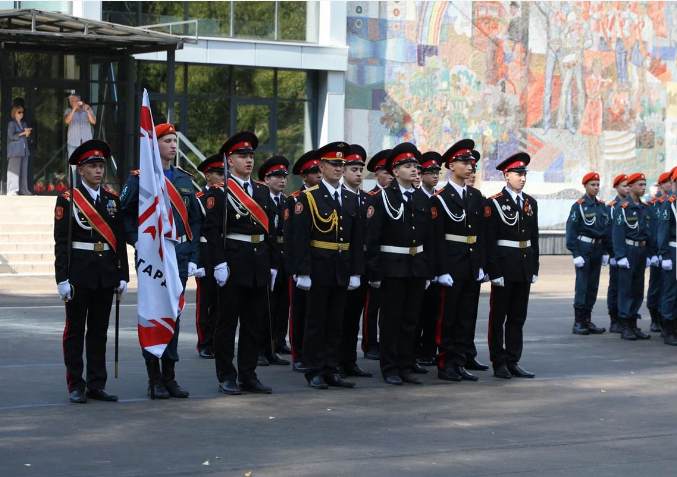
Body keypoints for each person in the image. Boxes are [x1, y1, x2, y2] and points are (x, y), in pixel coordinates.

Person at [120, 123, 199, 399]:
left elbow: (194, 222)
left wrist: (193, 257)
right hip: (152, 259)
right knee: (154, 314)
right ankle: (153, 378)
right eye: (167, 140)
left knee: (174, 317)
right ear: (155, 145)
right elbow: (125, 214)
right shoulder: (141, 178)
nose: (174, 145)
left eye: (175, 140)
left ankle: (170, 376)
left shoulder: (185, 179)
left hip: (178, 259)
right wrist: (137, 240)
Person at [53, 139, 128, 403]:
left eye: (101, 166)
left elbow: (118, 239)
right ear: (81, 169)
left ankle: (97, 383)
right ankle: (76, 383)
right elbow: (61, 243)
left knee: (99, 331)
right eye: (93, 166)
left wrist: (123, 275)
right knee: (75, 330)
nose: (98, 171)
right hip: (78, 274)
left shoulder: (112, 200)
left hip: (106, 273)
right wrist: (61, 278)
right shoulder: (68, 200)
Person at [202, 131, 277, 395]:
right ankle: (226, 375)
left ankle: (248, 374)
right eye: (242, 156)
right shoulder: (220, 192)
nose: (248, 160)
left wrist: (273, 264)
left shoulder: (261, 191)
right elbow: (211, 231)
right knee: (226, 323)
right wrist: (218, 263)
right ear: (229, 160)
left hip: (258, 261)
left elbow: (269, 231)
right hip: (233, 262)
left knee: (253, 323)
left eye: (250, 156)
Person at [293, 142, 364, 389]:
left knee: (337, 322)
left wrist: (356, 271)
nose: (338, 168)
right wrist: (302, 271)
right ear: (321, 167)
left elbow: (356, 238)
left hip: (342, 267)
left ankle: (331, 369)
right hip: (319, 267)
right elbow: (300, 238)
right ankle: (314, 370)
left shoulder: (349, 197)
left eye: (341, 164)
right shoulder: (308, 197)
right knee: (316, 322)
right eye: (334, 164)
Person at [365, 143, 434, 385]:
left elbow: (428, 238)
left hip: (415, 266)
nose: (414, 169)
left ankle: (405, 365)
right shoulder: (382, 197)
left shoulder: (421, 199)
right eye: (407, 166)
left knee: (410, 321)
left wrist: (427, 271)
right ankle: (390, 367)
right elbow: (372, 239)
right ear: (395, 171)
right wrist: (374, 272)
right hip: (391, 267)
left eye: (415, 165)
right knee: (391, 320)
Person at [432, 140, 487, 382]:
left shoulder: (475, 196)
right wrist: (441, 269)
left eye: (472, 163)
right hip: (452, 265)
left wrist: (482, 265)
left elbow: (481, 235)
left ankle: (461, 361)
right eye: (465, 163)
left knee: (467, 316)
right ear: (451, 165)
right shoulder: (441, 198)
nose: (470, 167)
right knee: (448, 317)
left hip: (471, 264)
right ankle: (446, 363)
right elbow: (436, 238)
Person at [485, 152, 539, 379]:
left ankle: (513, 359)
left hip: (524, 265)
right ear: (507, 176)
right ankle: (498, 361)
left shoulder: (530, 202)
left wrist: (535, 267)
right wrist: (493, 271)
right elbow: (489, 240)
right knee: (499, 317)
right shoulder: (495, 203)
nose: (522, 178)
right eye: (518, 174)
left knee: (518, 317)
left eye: (524, 174)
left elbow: (534, 238)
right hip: (505, 267)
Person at [285, 149, 322, 372]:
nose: (318, 175)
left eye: (319, 170)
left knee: (318, 314)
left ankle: (316, 354)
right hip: (301, 265)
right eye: (313, 172)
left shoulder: (326, 197)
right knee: (299, 312)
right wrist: (297, 269)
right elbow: (291, 238)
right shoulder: (295, 200)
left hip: (321, 263)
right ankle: (298, 354)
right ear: (304, 176)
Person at [338, 144, 373, 378]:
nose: (358, 174)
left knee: (353, 319)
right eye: (354, 169)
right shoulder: (337, 197)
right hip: (341, 264)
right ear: (343, 171)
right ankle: (334, 361)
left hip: (362, 266)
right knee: (337, 318)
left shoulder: (369, 200)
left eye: (361, 169)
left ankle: (349, 361)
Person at [257, 155, 291, 367]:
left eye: (284, 176)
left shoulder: (287, 202)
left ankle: (275, 345)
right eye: (276, 176)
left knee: (281, 306)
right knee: (264, 308)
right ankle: (260, 349)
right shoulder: (260, 200)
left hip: (283, 258)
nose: (282, 180)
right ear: (266, 179)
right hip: (267, 257)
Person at [565, 172, 609, 335]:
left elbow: (604, 230)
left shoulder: (602, 206)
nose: (596, 188)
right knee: (582, 285)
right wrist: (575, 253)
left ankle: (587, 320)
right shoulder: (579, 206)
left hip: (597, 249)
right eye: (593, 185)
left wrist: (604, 251)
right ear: (585, 186)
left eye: (598, 184)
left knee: (593, 286)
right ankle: (578, 322)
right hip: (584, 249)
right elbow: (571, 232)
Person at [612, 172, 652, 341]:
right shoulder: (623, 207)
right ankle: (625, 324)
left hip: (641, 251)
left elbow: (649, 233)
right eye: (640, 185)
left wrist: (650, 254)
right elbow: (618, 233)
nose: (643, 188)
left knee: (637, 289)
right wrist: (620, 255)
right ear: (632, 186)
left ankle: (634, 322)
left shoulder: (645, 208)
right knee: (625, 289)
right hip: (628, 250)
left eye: (644, 185)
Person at [362, 149, 393, 360]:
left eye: (391, 171)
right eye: (385, 171)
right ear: (376, 174)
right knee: (372, 306)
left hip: (393, 259)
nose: (389, 175)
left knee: (391, 307)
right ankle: (370, 342)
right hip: (373, 259)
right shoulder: (370, 198)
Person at [194, 154, 225, 359]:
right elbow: (195, 231)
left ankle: (216, 340)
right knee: (205, 301)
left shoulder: (228, 196)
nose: (223, 177)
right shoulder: (199, 199)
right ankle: (204, 342)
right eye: (219, 173)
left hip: (224, 251)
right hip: (205, 253)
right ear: (208, 176)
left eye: (225, 173)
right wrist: (196, 261)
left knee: (222, 302)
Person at [414, 151, 442, 368]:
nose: (434, 176)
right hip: (418, 264)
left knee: (433, 312)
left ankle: (429, 350)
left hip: (435, 264)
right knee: (417, 313)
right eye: (430, 172)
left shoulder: (439, 198)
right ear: (421, 175)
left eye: (437, 172)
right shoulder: (417, 197)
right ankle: (415, 351)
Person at [646, 172, 673, 333]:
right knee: (656, 285)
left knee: (668, 287)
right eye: (668, 182)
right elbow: (652, 231)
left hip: (670, 250)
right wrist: (653, 253)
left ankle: (666, 317)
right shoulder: (654, 205)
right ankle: (655, 317)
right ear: (663, 185)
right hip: (658, 251)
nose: (671, 185)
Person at [605, 174, 630, 333]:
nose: (627, 188)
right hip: (617, 254)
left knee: (629, 288)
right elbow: (608, 233)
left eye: (629, 185)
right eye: (624, 186)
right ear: (617, 188)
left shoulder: (633, 205)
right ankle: (615, 319)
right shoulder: (613, 207)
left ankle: (626, 318)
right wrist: (612, 254)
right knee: (615, 286)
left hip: (632, 252)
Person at [656, 169, 677, 346]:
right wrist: (664, 255)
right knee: (670, 291)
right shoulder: (669, 203)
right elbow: (662, 232)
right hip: (673, 249)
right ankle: (668, 327)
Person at [64, 94, 96, 185]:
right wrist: (74, 109)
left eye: (73, 101)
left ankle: (85, 189)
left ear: (79, 101)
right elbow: (67, 121)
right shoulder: (68, 111)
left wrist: (87, 110)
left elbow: (93, 121)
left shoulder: (88, 110)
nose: (71, 103)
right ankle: (73, 190)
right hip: (72, 143)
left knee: (86, 166)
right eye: (70, 102)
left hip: (85, 144)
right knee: (73, 168)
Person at [7, 105, 32, 196]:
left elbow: (25, 137)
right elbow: (12, 136)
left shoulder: (24, 123)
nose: (21, 114)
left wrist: (27, 134)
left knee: (23, 171)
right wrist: (23, 133)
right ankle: (12, 190)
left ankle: (24, 190)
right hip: (15, 151)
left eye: (22, 112)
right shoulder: (12, 124)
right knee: (14, 170)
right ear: (14, 114)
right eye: (19, 112)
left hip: (24, 150)